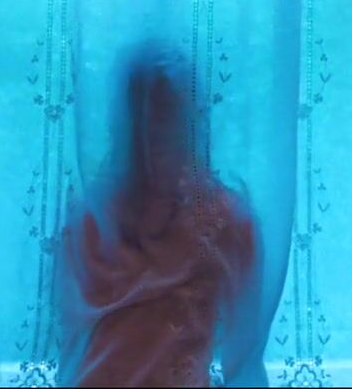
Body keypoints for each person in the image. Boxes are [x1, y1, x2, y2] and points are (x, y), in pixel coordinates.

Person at [57, 46, 267, 387]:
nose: (156, 135)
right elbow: (70, 338)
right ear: (126, 125)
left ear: (193, 122)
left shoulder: (225, 223)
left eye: (169, 118)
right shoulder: (94, 224)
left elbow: (243, 355)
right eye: (147, 119)